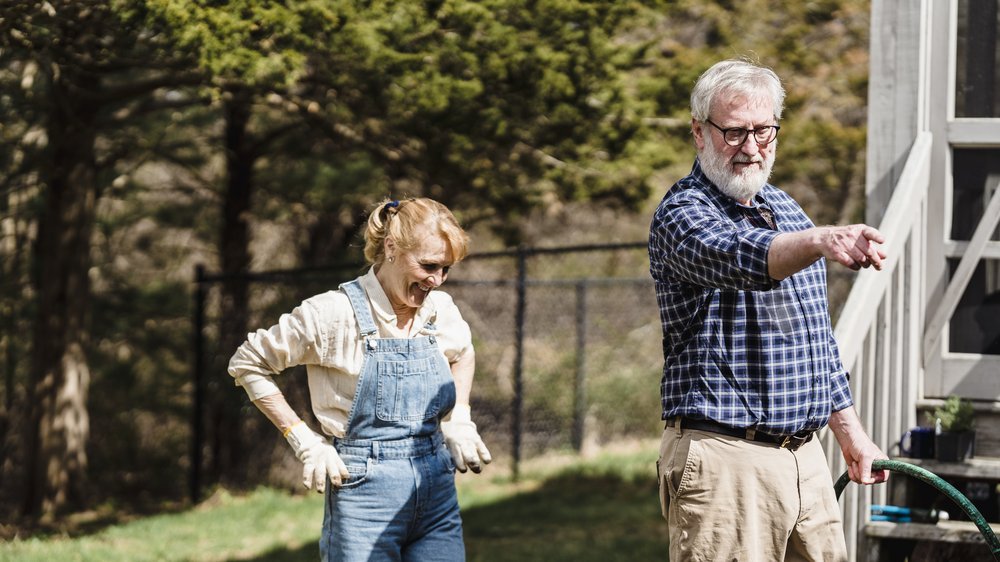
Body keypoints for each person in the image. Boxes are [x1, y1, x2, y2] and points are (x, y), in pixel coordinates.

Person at [647, 59, 889, 561]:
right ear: (699, 132)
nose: (752, 147)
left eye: (764, 130)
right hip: (725, 463)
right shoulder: (682, 213)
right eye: (734, 132)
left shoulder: (789, 210)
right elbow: (740, 257)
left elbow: (815, 343)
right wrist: (823, 238)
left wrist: (852, 436)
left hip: (806, 459)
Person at [228, 197, 492, 561]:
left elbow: (463, 353)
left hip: (436, 488)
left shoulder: (440, 310)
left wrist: (459, 417)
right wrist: (303, 439)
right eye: (429, 265)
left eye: (445, 269)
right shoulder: (331, 314)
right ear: (391, 247)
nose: (436, 280)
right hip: (363, 493)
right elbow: (248, 363)